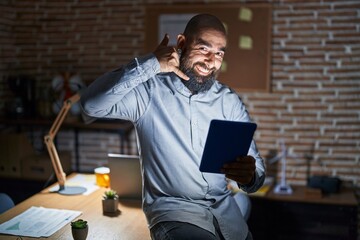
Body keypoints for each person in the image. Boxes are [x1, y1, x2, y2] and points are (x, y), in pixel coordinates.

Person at [81, 13, 265, 240]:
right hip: (176, 215)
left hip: (227, 216)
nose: (211, 61)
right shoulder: (148, 92)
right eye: (204, 48)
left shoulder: (229, 100)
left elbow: (257, 173)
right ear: (181, 44)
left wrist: (249, 177)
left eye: (219, 53)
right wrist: (149, 64)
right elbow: (90, 105)